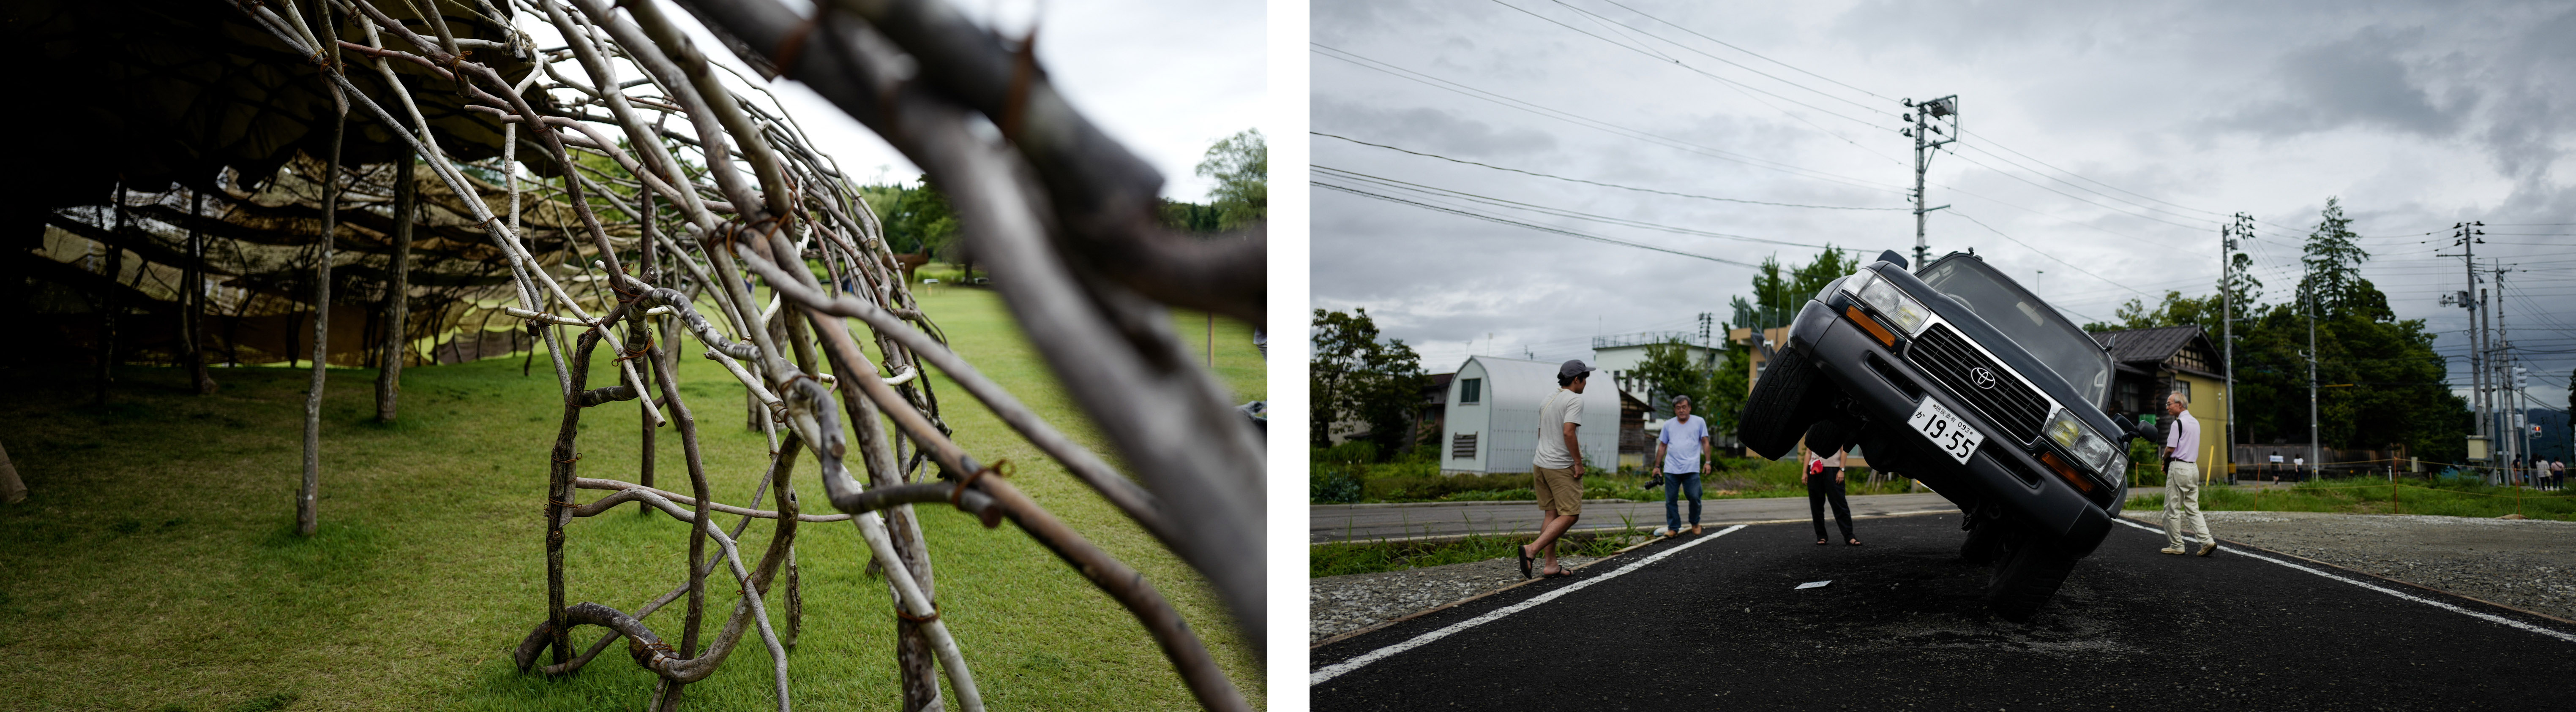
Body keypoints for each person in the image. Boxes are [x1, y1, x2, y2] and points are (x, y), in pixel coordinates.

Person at [1519, 359, 1591, 579]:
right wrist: (1578, 462)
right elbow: (1569, 433)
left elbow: (1541, 433)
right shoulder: (1574, 400)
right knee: (1571, 515)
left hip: (1541, 462)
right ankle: (1531, 550)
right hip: (1560, 466)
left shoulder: (1548, 399)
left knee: (1552, 513)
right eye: (1585, 378)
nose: (1586, 383)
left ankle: (1551, 565)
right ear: (1577, 379)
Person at [2160, 390, 2216, 556]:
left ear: (2179, 404)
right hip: (2193, 468)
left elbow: (2170, 448)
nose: (2167, 407)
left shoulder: (2178, 424)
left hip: (2179, 468)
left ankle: (2177, 545)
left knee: (2172, 510)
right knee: (2193, 508)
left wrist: (2164, 459)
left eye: (2169, 404)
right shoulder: (2195, 423)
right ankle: (2207, 541)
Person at [1653, 395, 1711, 537]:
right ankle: (1673, 528)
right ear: (1675, 410)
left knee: (1695, 497)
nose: (1682, 410)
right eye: (1678, 408)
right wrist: (1657, 467)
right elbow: (1662, 446)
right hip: (1671, 468)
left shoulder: (1699, 422)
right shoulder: (1669, 425)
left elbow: (1705, 442)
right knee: (1671, 500)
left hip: (1691, 468)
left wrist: (1708, 462)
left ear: (1690, 408)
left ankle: (1695, 522)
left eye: (1684, 407)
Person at [1803, 421, 1859, 546]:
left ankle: (1850, 536)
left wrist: (1841, 469)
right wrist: (1804, 473)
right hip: (1814, 470)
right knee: (1816, 506)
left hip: (1833, 470)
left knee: (1839, 504)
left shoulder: (1837, 427)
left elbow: (1844, 450)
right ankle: (1821, 536)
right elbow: (1808, 452)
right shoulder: (1814, 427)